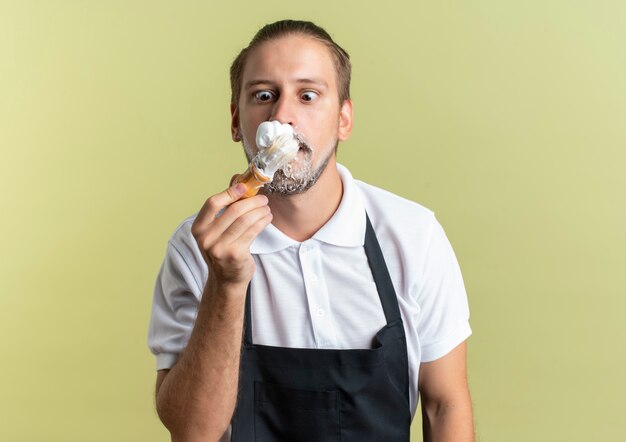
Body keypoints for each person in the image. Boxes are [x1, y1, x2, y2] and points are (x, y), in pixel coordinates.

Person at [148, 19, 474, 442]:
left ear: (343, 119)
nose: (282, 116)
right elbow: (193, 432)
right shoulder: (198, 247)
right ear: (235, 120)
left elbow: (444, 404)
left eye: (308, 95)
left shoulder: (414, 236)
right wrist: (226, 285)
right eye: (263, 96)